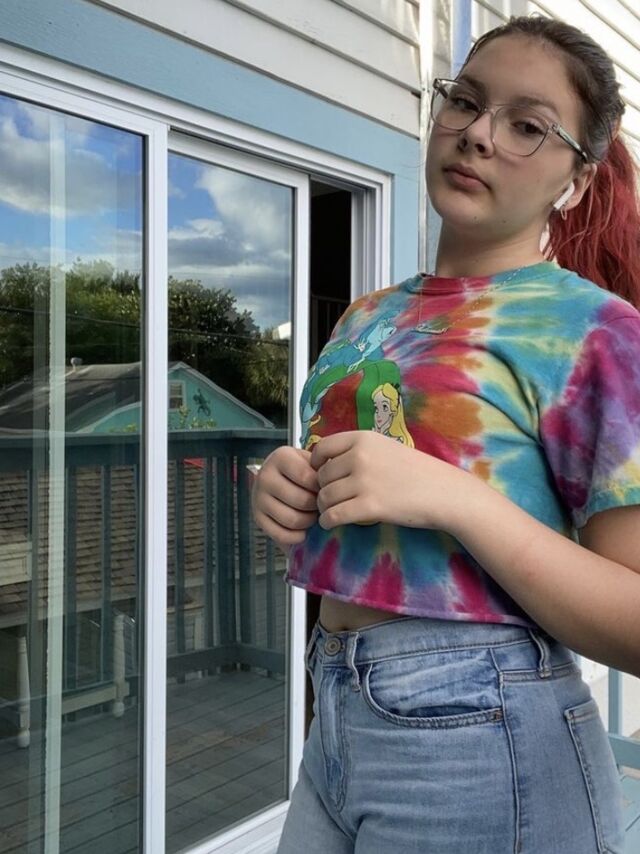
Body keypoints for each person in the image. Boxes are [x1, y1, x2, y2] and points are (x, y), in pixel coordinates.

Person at [252, 15, 640, 853]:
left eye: (527, 125)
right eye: (465, 101)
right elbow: (363, 488)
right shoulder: (366, 316)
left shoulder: (596, 332)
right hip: (335, 710)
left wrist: (453, 499)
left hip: (484, 731)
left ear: (575, 181)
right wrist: (290, 487)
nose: (477, 135)